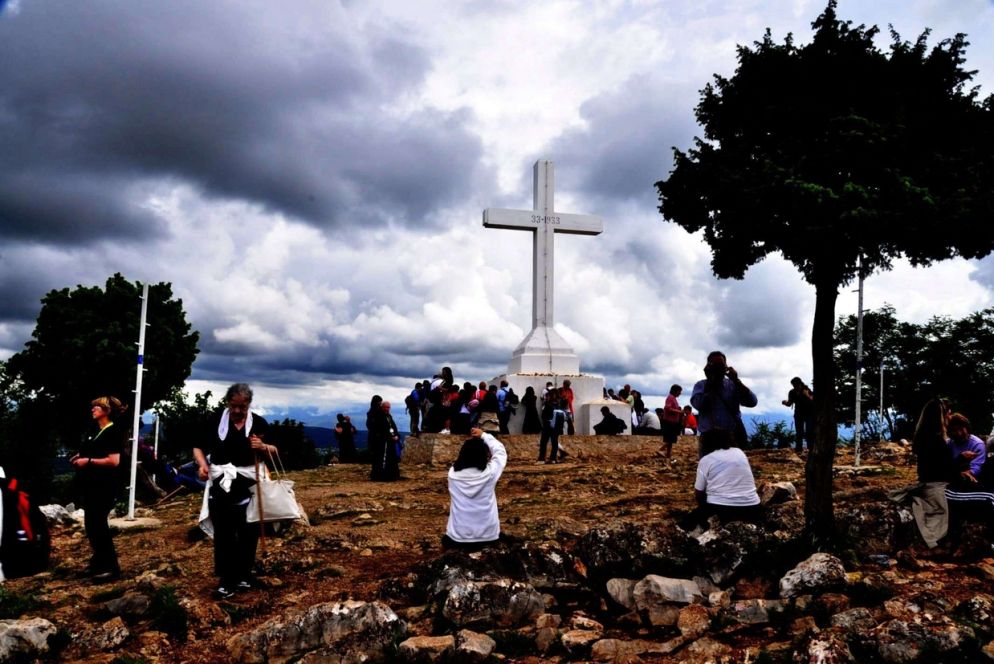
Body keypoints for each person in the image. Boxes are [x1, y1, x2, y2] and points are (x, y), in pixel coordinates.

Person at [193, 383, 277, 599]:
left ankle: (244, 575)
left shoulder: (258, 423)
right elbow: (198, 446)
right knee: (224, 532)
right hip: (222, 482)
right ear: (227, 403)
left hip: (249, 484)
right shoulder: (214, 421)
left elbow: (275, 451)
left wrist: (263, 447)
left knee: (248, 532)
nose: (238, 411)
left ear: (249, 404)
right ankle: (226, 578)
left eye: (243, 407)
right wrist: (202, 465)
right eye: (234, 406)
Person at [71, 396, 128, 582]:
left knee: (98, 526)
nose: (93, 409)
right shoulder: (97, 431)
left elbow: (113, 461)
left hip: (104, 486)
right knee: (92, 526)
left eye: (97, 406)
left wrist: (87, 461)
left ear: (107, 410)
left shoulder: (113, 431)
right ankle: (98, 563)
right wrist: (81, 455)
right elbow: (95, 451)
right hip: (92, 485)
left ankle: (111, 568)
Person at [444, 427, 508, 551]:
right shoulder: (490, 474)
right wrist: (484, 435)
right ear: (484, 456)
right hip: (488, 536)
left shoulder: (452, 475)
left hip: (458, 537)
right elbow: (500, 452)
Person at [693, 428, 761, 525]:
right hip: (752, 507)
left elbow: (698, 493)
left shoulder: (706, 459)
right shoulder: (740, 453)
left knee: (687, 523)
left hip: (722, 509)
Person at [690, 351, 758, 448]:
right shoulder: (701, 386)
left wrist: (736, 380)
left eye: (721, 365)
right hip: (709, 437)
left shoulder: (733, 385)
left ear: (726, 366)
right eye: (715, 365)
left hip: (732, 436)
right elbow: (700, 405)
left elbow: (752, 402)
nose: (718, 369)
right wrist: (711, 382)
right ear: (708, 367)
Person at [367, 397, 401, 481]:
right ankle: (380, 476)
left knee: (391, 460)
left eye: (388, 407)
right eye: (385, 407)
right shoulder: (378, 416)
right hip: (382, 442)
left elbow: (393, 427)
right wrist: (389, 436)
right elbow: (379, 429)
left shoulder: (389, 416)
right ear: (381, 407)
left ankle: (392, 475)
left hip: (391, 442)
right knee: (381, 459)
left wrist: (396, 436)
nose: (386, 409)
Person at [782, 377, 814, 452]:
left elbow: (813, 400)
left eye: (795, 385)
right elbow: (789, 403)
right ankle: (799, 448)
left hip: (809, 413)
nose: (794, 386)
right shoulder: (792, 392)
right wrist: (785, 403)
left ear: (800, 384)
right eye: (793, 385)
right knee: (799, 432)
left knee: (809, 431)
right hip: (798, 414)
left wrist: (807, 395)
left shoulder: (807, 390)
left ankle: (810, 448)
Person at [538, 398, 568, 463]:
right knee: (554, 442)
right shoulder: (561, 410)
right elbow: (565, 419)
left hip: (548, 426)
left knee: (544, 442)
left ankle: (542, 459)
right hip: (556, 428)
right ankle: (553, 459)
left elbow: (544, 416)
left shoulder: (548, 406)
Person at [660, 384, 684, 458]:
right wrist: (679, 412)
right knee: (670, 439)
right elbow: (667, 408)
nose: (680, 393)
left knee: (671, 440)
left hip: (672, 422)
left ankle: (668, 454)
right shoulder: (670, 398)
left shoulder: (673, 398)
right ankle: (661, 449)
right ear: (675, 391)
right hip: (669, 422)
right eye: (679, 391)